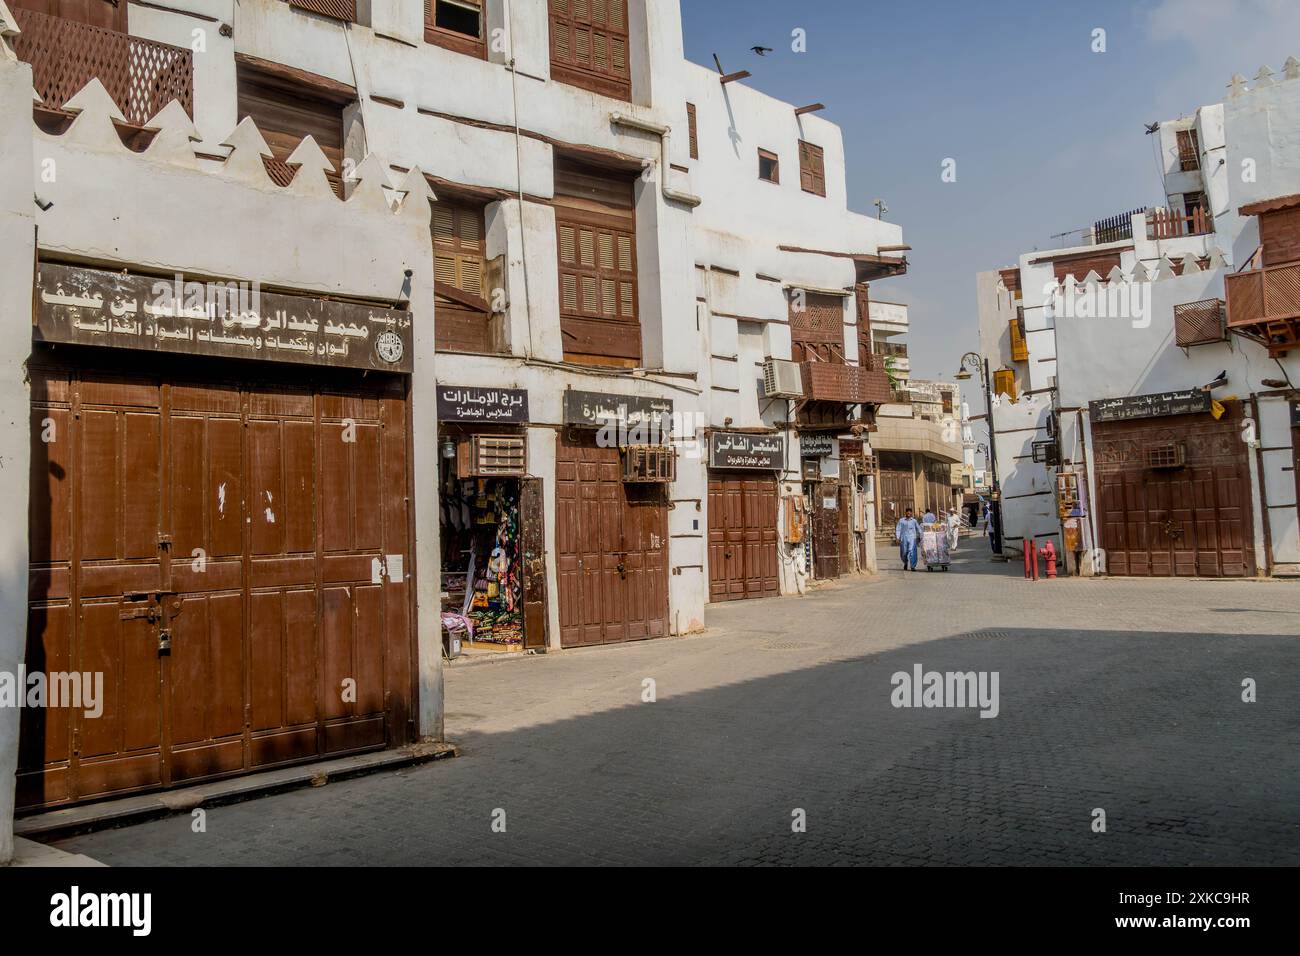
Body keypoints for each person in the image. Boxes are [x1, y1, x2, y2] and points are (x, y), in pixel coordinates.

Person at [894, 508, 922, 572]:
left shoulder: (914, 521)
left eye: (910, 512)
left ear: (911, 513)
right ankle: (905, 563)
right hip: (904, 538)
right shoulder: (901, 521)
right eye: (907, 512)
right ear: (905, 513)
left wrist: (921, 536)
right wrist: (898, 537)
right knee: (904, 552)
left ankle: (913, 566)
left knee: (912, 551)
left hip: (912, 538)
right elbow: (898, 529)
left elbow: (918, 528)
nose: (909, 513)